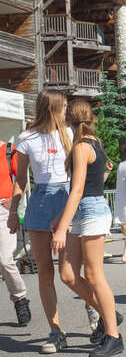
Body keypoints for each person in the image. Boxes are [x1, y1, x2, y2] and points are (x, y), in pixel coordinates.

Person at [51, 100, 123, 356]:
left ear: (69, 122)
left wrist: (61, 228)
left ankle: (113, 336)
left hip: (91, 211)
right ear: (89, 119)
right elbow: (81, 188)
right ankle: (110, 313)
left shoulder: (83, 146)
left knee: (94, 275)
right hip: (82, 210)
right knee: (68, 275)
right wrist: (62, 216)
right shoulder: (92, 143)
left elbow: (80, 189)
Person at [7, 90, 75, 353]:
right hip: (40, 201)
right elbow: (21, 180)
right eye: (64, 106)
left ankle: (97, 313)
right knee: (44, 270)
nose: (67, 110)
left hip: (66, 197)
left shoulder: (69, 134)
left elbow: (80, 173)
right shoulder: (26, 138)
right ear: (52, 107)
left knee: (68, 273)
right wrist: (14, 212)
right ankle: (56, 330)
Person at [0, 139, 31, 326]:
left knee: (5, 259)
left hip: (3, 211)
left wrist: (14, 204)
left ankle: (19, 298)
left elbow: (21, 179)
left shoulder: (8, 150)